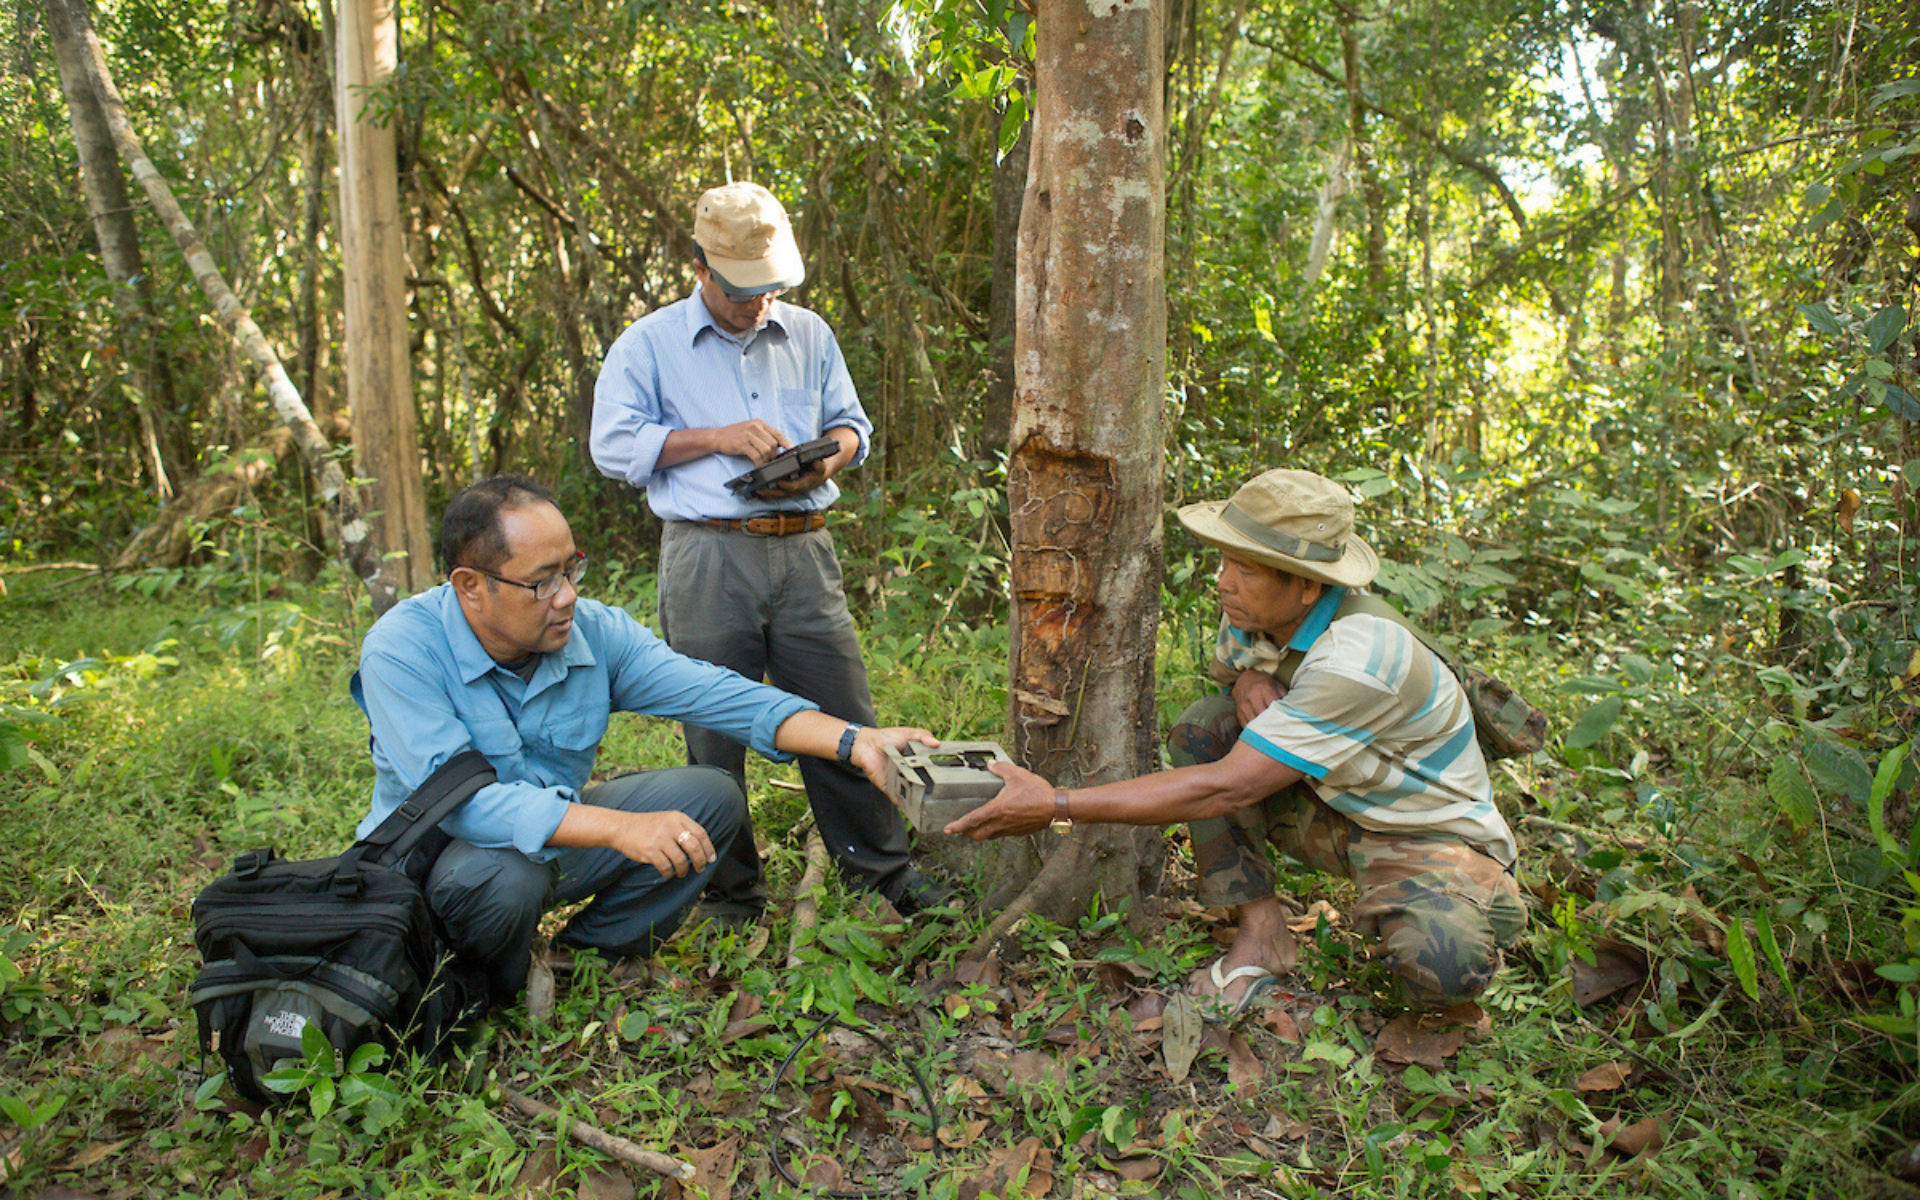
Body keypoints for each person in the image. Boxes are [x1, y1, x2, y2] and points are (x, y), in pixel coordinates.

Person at [948, 469, 1528, 1015]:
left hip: (1428, 833)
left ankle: (1476, 898)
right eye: (1225, 560)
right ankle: (1263, 934)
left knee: (1442, 968)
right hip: (1343, 809)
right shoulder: (1254, 614)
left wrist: (1055, 806)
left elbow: (1226, 790)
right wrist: (1248, 678)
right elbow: (1232, 675)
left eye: (1247, 569)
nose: (1224, 581)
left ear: (1307, 586)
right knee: (1208, 726)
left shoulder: (1361, 657)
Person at [351, 474, 937, 1005]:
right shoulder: (403, 649)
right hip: (438, 871)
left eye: (570, 569)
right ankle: (482, 989)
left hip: (547, 841)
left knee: (710, 798)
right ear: (471, 585)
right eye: (541, 582)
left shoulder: (592, 633)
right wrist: (621, 828)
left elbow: (715, 694)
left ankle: (581, 957)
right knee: (510, 873)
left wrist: (854, 741)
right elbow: (469, 806)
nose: (566, 596)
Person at [589, 181, 948, 925]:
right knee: (713, 733)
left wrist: (830, 459)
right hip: (707, 555)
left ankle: (882, 876)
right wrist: (717, 437)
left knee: (842, 717)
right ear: (699, 269)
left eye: (769, 288)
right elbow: (613, 445)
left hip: (804, 552)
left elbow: (853, 424)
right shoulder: (649, 343)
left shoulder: (809, 333)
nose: (758, 304)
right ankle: (730, 896)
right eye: (741, 290)